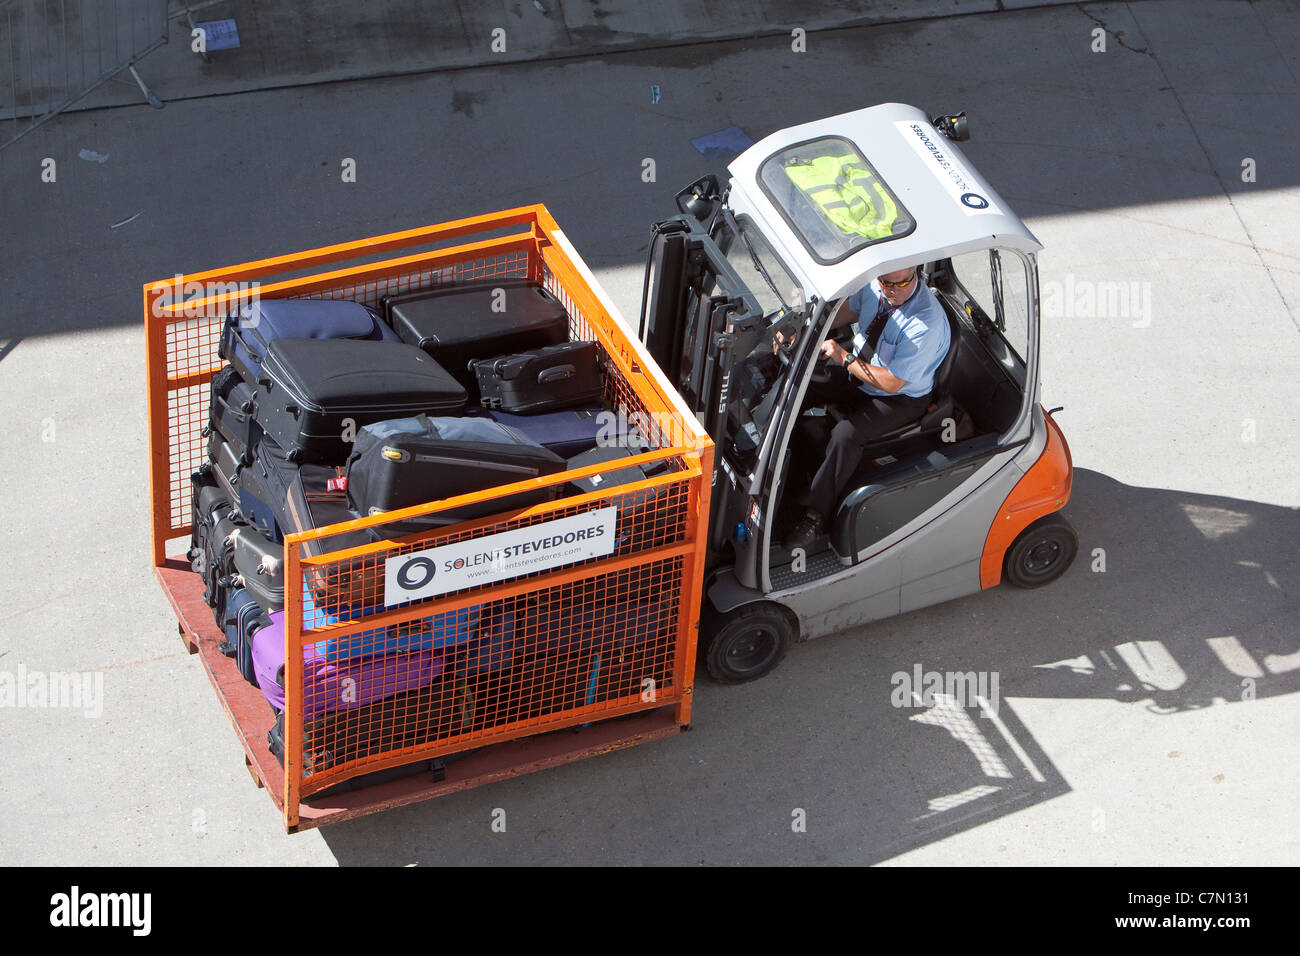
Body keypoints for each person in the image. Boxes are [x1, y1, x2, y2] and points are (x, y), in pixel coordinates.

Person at [783, 265, 950, 551]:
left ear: (917, 274)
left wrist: (843, 357)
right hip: (861, 371)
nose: (890, 290)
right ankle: (784, 480)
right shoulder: (877, 287)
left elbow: (893, 382)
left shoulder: (926, 324)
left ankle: (815, 516)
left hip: (900, 397)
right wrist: (806, 333)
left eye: (900, 283)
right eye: (885, 282)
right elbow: (849, 310)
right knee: (800, 389)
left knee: (845, 436)